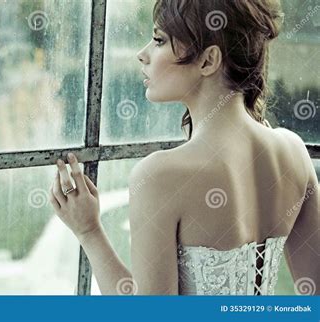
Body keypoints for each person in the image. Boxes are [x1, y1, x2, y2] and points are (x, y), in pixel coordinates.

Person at [49, 0, 319, 295]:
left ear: (208, 61)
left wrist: (89, 232)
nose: (143, 54)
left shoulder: (160, 175)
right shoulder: (293, 151)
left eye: (159, 40)